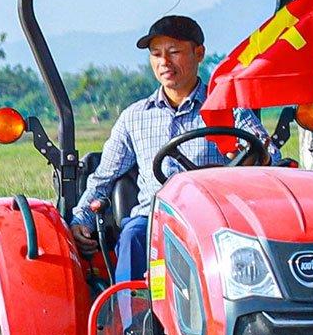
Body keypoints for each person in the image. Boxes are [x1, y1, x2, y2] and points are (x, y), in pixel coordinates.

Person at [72, 15, 265, 292]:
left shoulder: (225, 108)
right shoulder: (134, 118)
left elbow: (262, 148)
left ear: (199, 53)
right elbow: (104, 176)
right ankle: (133, 325)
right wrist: (81, 219)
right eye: (156, 54)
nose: (164, 61)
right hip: (153, 218)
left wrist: (258, 152)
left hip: (215, 217)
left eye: (174, 52)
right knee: (133, 235)